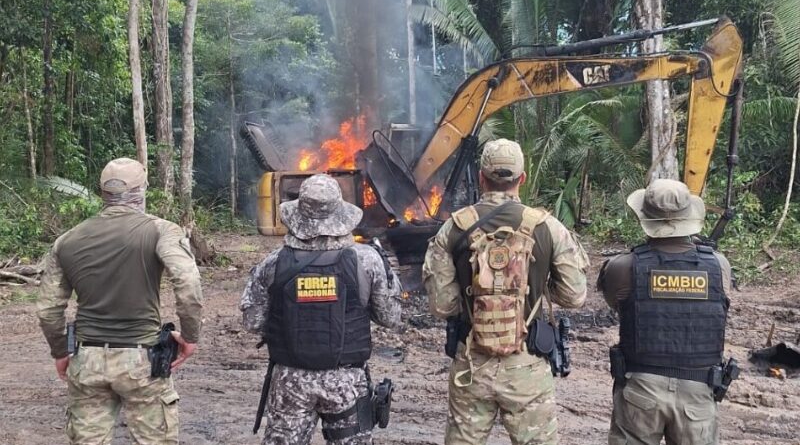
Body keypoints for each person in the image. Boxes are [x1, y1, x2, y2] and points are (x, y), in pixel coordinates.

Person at [423, 138, 588, 445]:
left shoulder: (454, 228)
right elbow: (574, 296)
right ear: (521, 179)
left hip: (471, 364)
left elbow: (442, 306)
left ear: (481, 177)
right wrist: (538, 288)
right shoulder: (547, 227)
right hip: (526, 366)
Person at [37, 157, 203, 444]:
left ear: (103, 193)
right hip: (142, 360)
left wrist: (60, 351)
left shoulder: (67, 240)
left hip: (87, 360)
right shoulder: (161, 230)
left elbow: (48, 309)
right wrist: (189, 336)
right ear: (142, 190)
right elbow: (187, 283)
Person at [241, 173, 403, 445]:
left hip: (290, 382)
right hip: (346, 382)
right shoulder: (367, 261)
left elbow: (253, 320)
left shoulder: (274, 263)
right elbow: (390, 317)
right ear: (339, 212)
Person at [598, 179, 733, 445]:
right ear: (688, 216)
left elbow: (616, 303)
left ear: (644, 217)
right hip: (698, 391)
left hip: (641, 389)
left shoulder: (623, 266)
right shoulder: (719, 266)